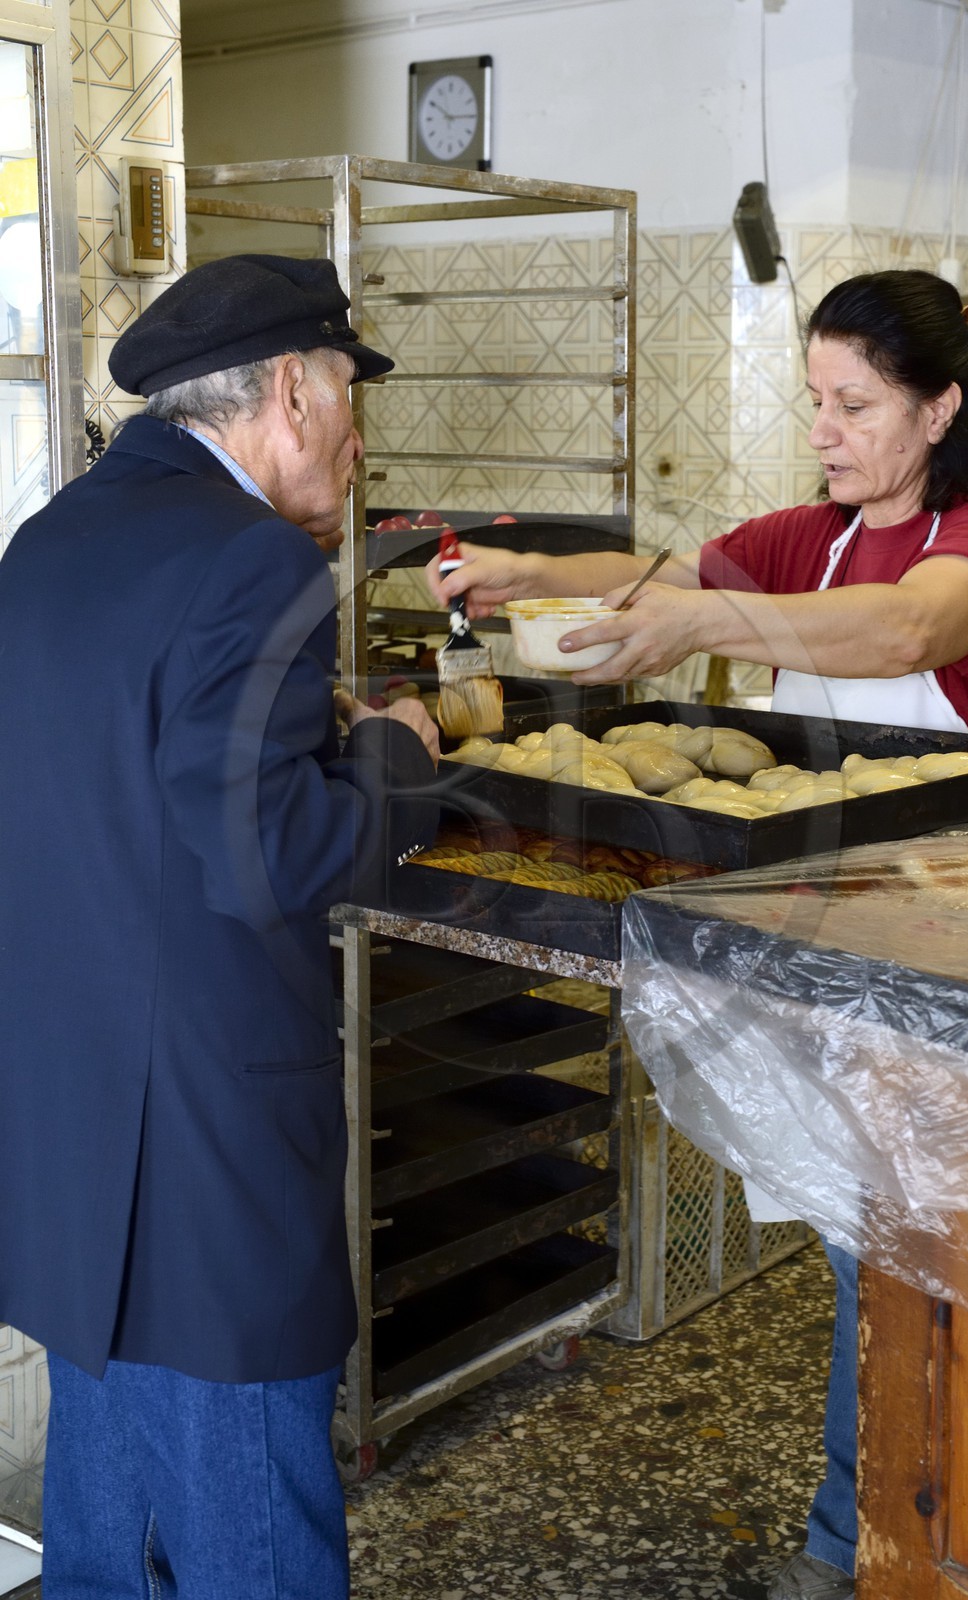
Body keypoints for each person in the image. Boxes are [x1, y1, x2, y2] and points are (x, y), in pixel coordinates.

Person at [427, 269, 968, 1599]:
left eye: (853, 404)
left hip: (965, 961)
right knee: (872, 1246)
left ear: (939, 407)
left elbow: (906, 629)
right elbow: (669, 569)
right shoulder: (816, 536)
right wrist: (526, 567)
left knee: (926, 1258)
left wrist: (699, 625)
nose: (822, 429)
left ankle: (883, 1542)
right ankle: (884, 1532)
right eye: (814, 400)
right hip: (824, 940)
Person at [0, 253, 440, 1599]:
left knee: (107, 1545)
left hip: (75, 1143)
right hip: (205, 1158)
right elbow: (274, 854)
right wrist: (400, 762)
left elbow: (125, 782)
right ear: (295, 393)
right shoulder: (257, 559)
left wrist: (315, 734)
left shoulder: (51, 535)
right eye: (352, 404)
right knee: (251, 1541)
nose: (359, 444)